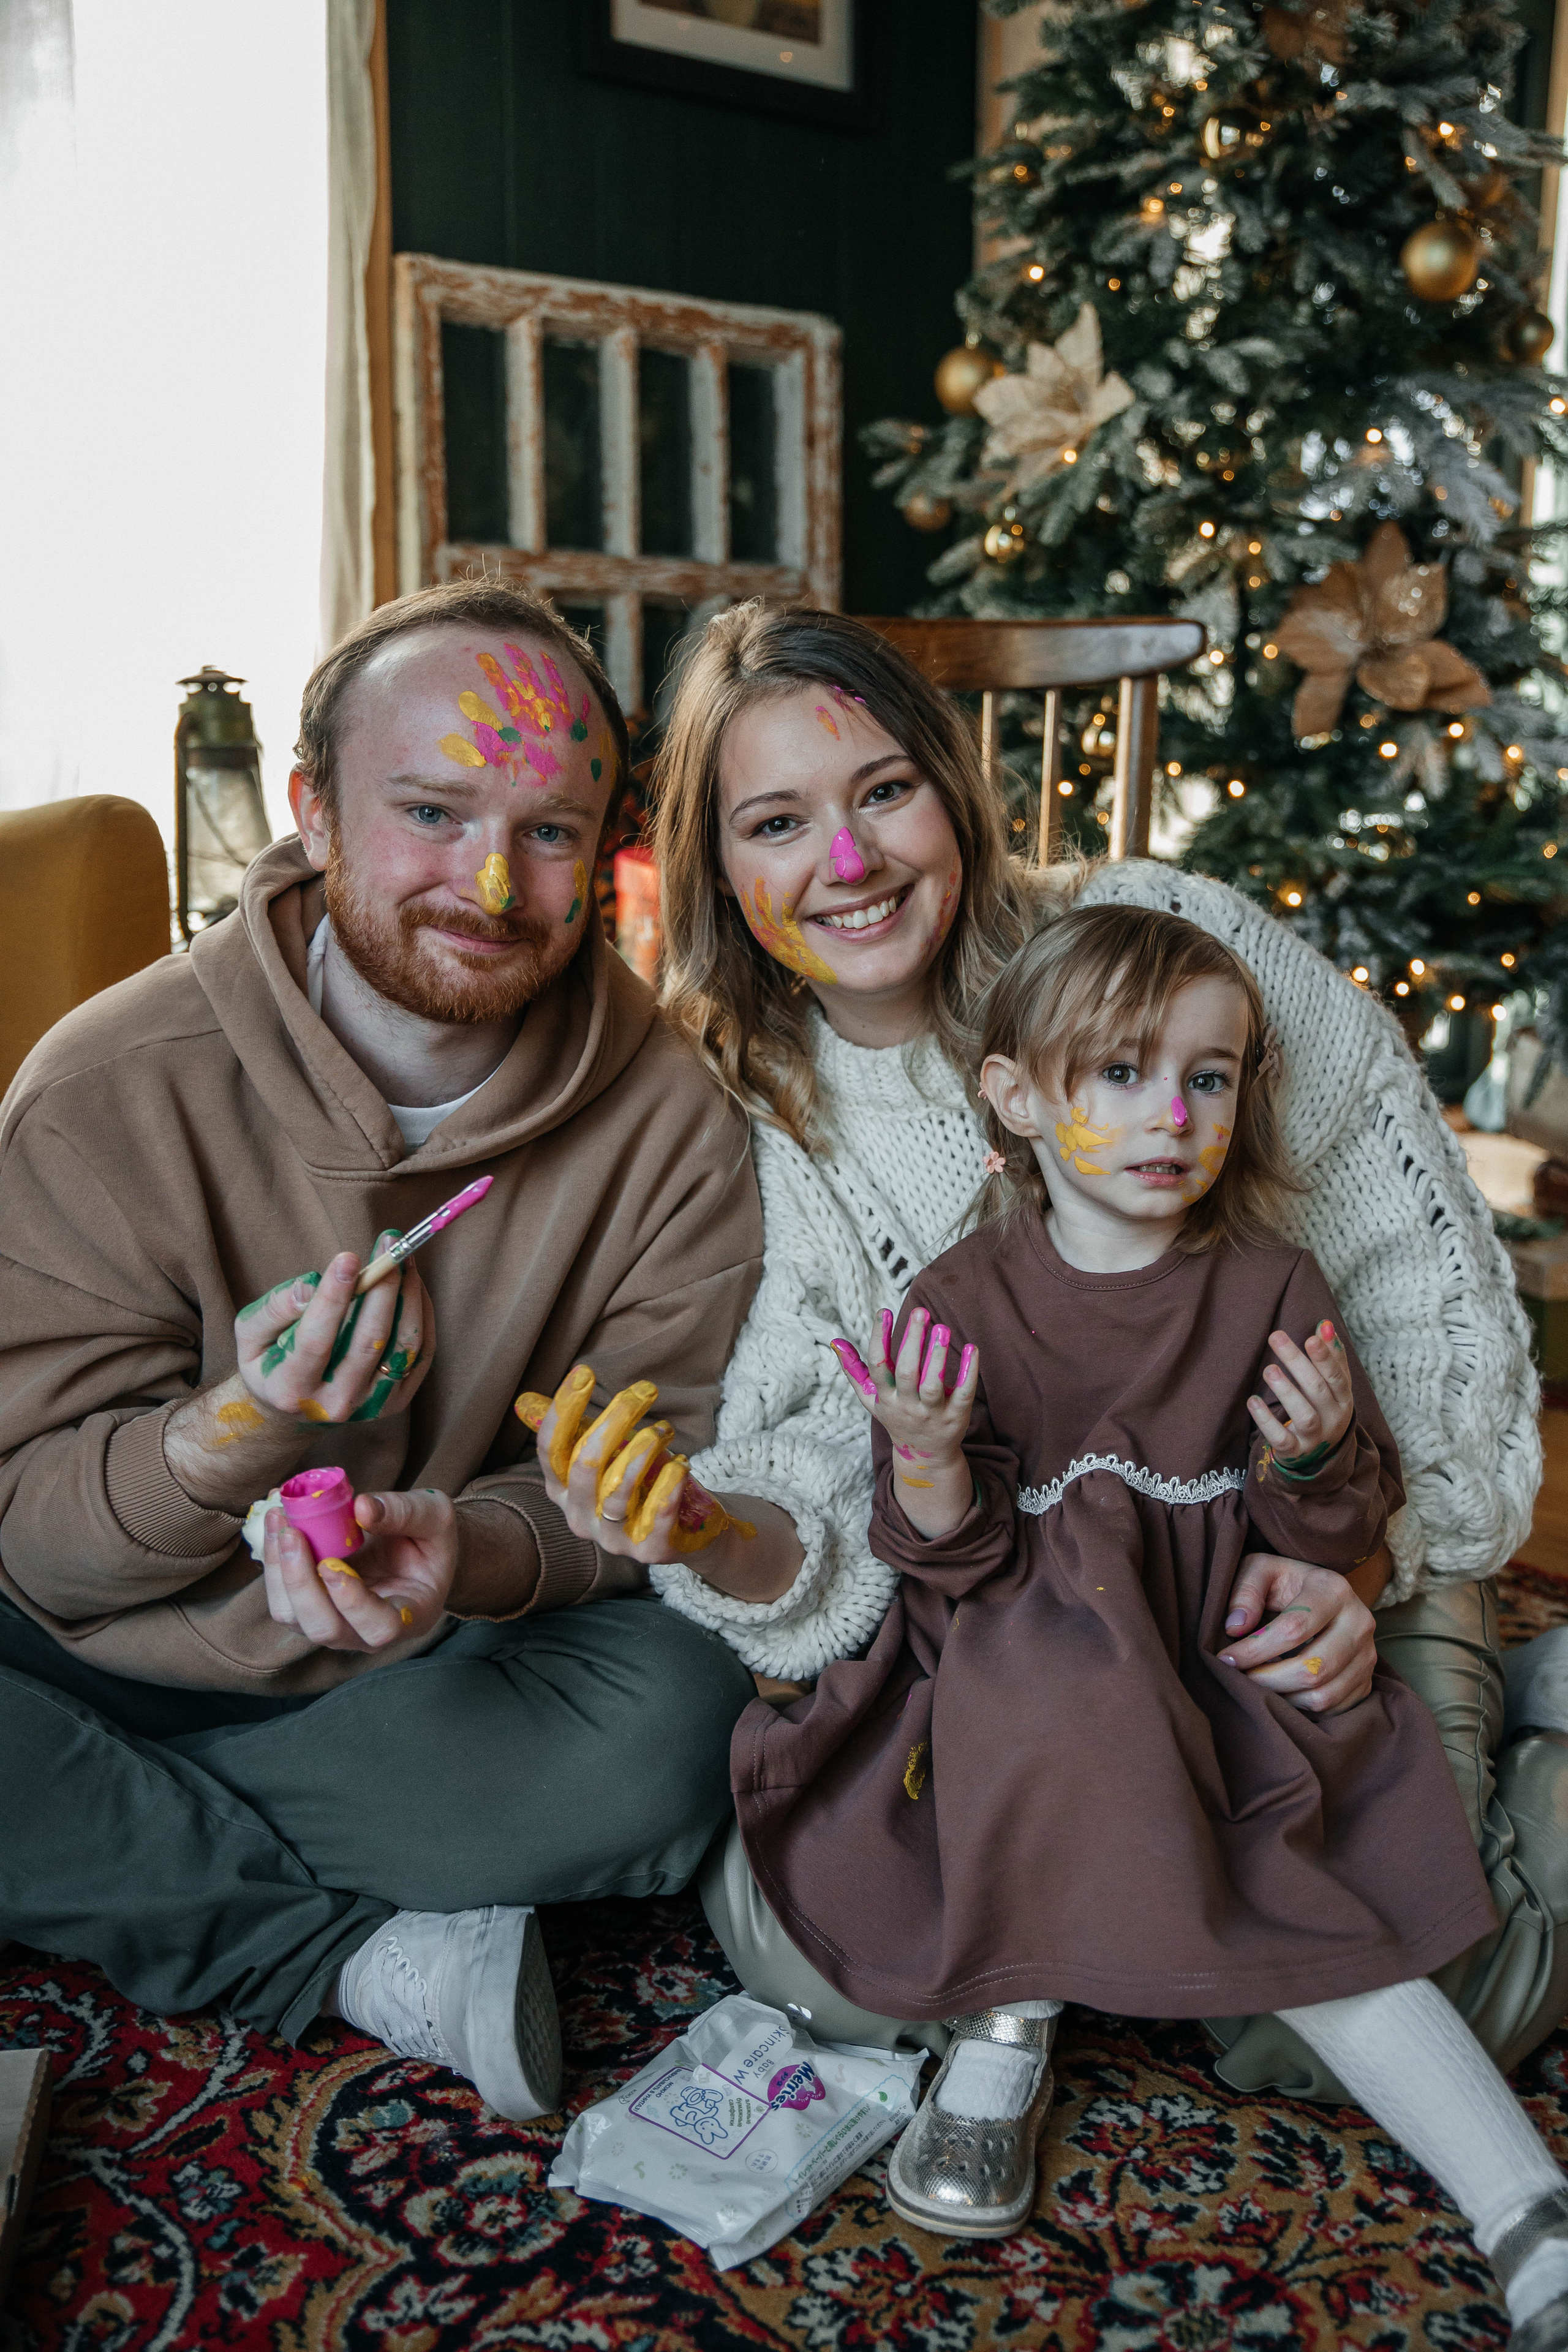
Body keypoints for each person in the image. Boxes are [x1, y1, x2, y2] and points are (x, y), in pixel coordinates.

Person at [526, 601, 1568, 2099]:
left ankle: (1524, 1748)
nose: (847, 863)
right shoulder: (749, 1117)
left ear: (950, 791)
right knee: (824, 1964)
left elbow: (1413, 1256)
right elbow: (817, 1460)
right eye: (775, 822)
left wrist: (1357, 1570)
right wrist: (704, 1526)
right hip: (1041, 1621)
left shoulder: (1157, 937)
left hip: (1293, 1563)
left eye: (884, 791)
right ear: (713, 866)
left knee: (1335, 2021)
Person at [726, 904, 1568, 2349]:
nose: (1168, 1115)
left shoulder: (1266, 1286)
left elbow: (1323, 1535)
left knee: (1320, 1907)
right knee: (1014, 1721)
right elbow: (948, 1558)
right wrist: (924, 1452)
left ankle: (1524, 2208)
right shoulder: (963, 1296)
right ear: (1016, 1099)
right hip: (1016, 1694)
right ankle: (1008, 2022)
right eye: (1117, 1073)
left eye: (1207, 1076)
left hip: (1212, 1681)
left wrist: (1309, 1469)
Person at [0, 579, 761, 2122]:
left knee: (679, 1727)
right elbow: (43, 1555)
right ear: (313, 809)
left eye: (550, 831)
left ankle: (92, 1844)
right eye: (429, 810)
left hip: (431, 1682)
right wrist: (237, 1431)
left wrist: (463, 1553)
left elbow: (650, 1488)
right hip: (108, 1654)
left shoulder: (677, 1120)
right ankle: (337, 1955)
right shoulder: (99, 1089)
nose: (488, 882)